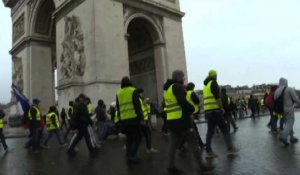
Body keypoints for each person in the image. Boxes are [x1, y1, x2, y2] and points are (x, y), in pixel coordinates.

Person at [164, 70, 213, 174]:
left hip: (171, 121)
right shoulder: (177, 86)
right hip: (182, 121)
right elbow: (182, 101)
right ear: (179, 78)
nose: (184, 79)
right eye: (183, 77)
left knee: (172, 146)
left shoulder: (167, 89)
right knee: (194, 142)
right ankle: (201, 165)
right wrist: (191, 109)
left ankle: (170, 166)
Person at [203, 70, 239, 158]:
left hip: (208, 111)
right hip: (215, 110)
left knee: (210, 132)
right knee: (225, 130)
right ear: (215, 76)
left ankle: (208, 150)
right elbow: (217, 98)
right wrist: (221, 108)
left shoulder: (205, 86)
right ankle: (230, 148)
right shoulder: (213, 83)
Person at [116, 77, 143, 163]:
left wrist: (120, 119)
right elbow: (137, 105)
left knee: (129, 139)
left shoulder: (118, 93)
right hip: (133, 119)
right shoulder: (133, 90)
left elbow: (118, 108)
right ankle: (132, 155)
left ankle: (129, 156)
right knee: (139, 137)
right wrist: (141, 117)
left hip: (124, 120)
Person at [274, 78, 300, 146]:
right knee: (290, 122)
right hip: (289, 109)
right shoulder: (289, 89)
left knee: (287, 123)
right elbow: (295, 99)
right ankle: (283, 136)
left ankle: (291, 137)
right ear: (285, 82)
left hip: (281, 110)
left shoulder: (276, 91)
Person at [186, 82, 205, 149]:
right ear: (192, 87)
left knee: (190, 130)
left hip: (187, 113)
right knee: (194, 130)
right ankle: (200, 145)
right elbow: (197, 102)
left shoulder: (185, 93)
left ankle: (200, 144)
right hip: (192, 113)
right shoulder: (191, 93)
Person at [138, 89, 157, 153]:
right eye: (142, 93)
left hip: (142, 120)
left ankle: (128, 146)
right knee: (147, 134)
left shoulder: (140, 100)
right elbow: (141, 109)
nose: (142, 94)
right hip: (143, 120)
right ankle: (149, 149)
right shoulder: (140, 100)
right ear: (139, 93)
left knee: (140, 135)